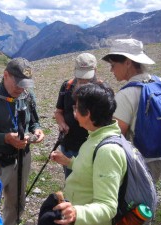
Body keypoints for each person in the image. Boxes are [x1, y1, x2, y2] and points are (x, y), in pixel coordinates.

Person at [0, 58, 44, 225]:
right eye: (18, 83)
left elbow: (34, 121)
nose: (21, 88)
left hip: (22, 158)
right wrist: (5, 138)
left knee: (17, 202)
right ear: (5, 75)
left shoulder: (27, 94)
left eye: (25, 83)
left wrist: (37, 131)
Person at [50, 82, 127, 225]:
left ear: (88, 114)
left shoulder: (107, 151)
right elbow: (92, 168)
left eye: (76, 107)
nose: (74, 112)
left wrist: (77, 213)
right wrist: (69, 162)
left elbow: (108, 207)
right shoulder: (96, 136)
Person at [101, 38, 161, 183]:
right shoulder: (160, 82)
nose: (111, 70)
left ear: (127, 62)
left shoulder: (126, 94)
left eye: (113, 65)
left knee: (134, 201)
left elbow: (116, 137)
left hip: (139, 161)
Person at [54, 52, 98, 178]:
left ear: (95, 70)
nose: (83, 82)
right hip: (69, 146)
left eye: (87, 79)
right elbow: (58, 112)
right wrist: (62, 124)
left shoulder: (101, 91)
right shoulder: (67, 86)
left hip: (92, 148)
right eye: (80, 78)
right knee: (71, 181)